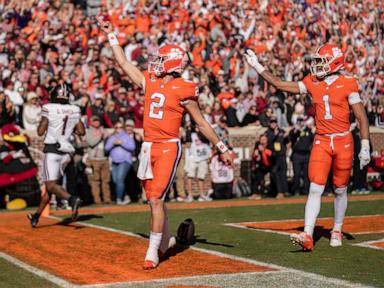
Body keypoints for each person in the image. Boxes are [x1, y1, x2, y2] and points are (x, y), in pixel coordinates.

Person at [97, 16, 233, 269]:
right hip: (148, 147)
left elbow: (201, 123)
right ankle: (166, 240)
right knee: (152, 200)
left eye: (161, 59)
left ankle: (152, 252)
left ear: (172, 64)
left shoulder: (184, 88)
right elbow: (124, 63)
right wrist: (111, 34)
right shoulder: (150, 80)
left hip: (169, 145)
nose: (155, 63)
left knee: (157, 198)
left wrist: (222, 146)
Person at [245, 44, 371, 250]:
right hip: (322, 140)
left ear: (334, 62)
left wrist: (365, 145)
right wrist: (258, 66)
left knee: (340, 190)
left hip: (343, 140)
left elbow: (361, 116)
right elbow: (280, 84)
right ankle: (308, 234)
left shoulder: (348, 83)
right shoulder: (313, 82)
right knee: (315, 187)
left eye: (321, 61)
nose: (317, 66)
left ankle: (337, 229)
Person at [27, 83, 85, 227]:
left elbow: (40, 131)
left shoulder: (49, 108)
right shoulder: (74, 109)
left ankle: (71, 200)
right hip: (67, 153)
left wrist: (49, 125)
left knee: (50, 185)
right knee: (51, 188)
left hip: (53, 150)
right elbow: (82, 131)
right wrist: (68, 127)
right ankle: (36, 216)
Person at [104, 121, 136, 205]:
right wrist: (113, 144)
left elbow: (132, 147)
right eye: (117, 127)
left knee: (120, 180)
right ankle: (125, 196)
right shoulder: (112, 137)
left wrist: (122, 143)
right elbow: (106, 148)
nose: (119, 129)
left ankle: (119, 199)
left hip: (125, 161)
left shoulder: (127, 137)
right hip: (114, 161)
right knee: (115, 180)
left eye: (121, 127)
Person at [85, 115, 111, 204]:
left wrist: (106, 135)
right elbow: (91, 143)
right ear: (91, 122)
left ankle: (107, 199)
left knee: (106, 180)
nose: (97, 122)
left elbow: (109, 138)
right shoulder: (89, 132)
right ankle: (97, 200)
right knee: (95, 181)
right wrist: (100, 136)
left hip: (104, 158)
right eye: (94, 121)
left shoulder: (103, 130)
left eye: (98, 120)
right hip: (94, 159)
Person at [288, 117, 314, 195]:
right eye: (299, 122)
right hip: (297, 154)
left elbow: (312, 139)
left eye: (301, 121)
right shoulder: (294, 131)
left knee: (306, 174)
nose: (300, 123)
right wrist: (296, 130)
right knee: (297, 174)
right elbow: (291, 139)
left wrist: (309, 128)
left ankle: (306, 190)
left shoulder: (308, 131)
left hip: (306, 154)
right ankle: (296, 190)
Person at [185, 128, 212, 202]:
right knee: (190, 176)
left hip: (203, 157)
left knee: (201, 177)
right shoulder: (192, 134)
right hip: (193, 157)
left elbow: (209, 141)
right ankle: (190, 195)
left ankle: (202, 195)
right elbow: (187, 142)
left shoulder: (205, 133)